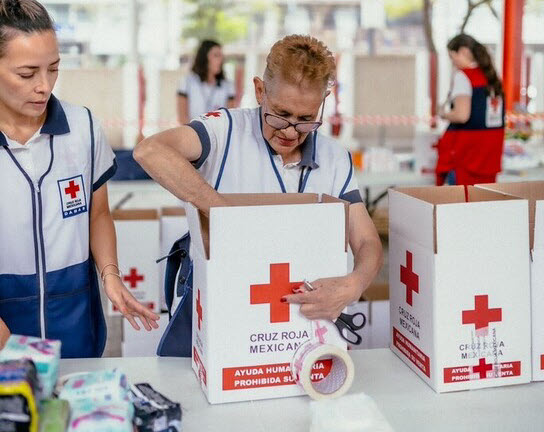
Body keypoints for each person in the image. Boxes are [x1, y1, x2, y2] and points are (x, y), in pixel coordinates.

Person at [135, 34, 383, 357]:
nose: (291, 131)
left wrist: (353, 285)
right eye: (280, 114)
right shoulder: (224, 132)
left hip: (300, 325)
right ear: (259, 90)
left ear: (324, 101)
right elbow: (150, 151)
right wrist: (226, 214)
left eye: (306, 119)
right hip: (221, 311)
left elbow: (367, 243)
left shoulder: (334, 159)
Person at [0, 0, 159, 358]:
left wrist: (111, 276)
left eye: (53, 69)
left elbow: (98, 213)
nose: (44, 86)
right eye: (27, 74)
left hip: (74, 317)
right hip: (6, 325)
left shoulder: (83, 128)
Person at [435, 33, 505, 186]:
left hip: (467, 157)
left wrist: (443, 114)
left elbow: (462, 116)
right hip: (489, 157)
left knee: (460, 207)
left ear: (464, 52)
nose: (453, 63)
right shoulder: (492, 77)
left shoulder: (464, 77)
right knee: (483, 205)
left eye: (453, 57)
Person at [177, 40, 236, 125]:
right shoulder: (187, 82)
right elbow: (182, 118)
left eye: (221, 56)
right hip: (192, 134)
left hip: (218, 136)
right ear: (204, 57)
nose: (220, 60)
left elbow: (230, 117)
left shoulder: (227, 86)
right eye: (216, 55)